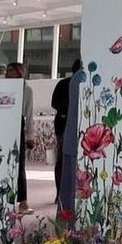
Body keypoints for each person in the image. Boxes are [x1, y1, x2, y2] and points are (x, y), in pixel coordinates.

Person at [5, 62, 34, 215]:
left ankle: (23, 200)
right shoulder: (1, 87)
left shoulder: (26, 89)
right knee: (3, 161)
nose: (8, 73)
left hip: (18, 122)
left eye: (12, 70)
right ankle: (4, 199)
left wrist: (30, 135)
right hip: (3, 121)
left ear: (19, 72)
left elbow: (29, 113)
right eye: (7, 70)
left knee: (19, 164)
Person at [51, 59, 81, 204]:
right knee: (63, 159)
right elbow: (54, 103)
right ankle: (61, 193)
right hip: (64, 125)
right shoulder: (65, 84)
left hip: (72, 125)